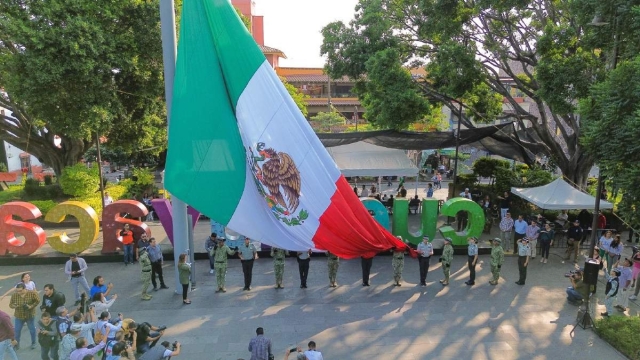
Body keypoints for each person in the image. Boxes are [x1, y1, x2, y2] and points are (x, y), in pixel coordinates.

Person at [9, 283, 39, 350]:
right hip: (19, 316)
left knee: (32, 330)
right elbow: (10, 305)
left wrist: (30, 306)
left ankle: (33, 343)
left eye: (20, 291)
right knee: (17, 331)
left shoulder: (32, 293)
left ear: (25, 289)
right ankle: (16, 345)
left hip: (30, 315)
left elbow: (37, 301)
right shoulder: (14, 295)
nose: (19, 292)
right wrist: (14, 306)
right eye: (17, 291)